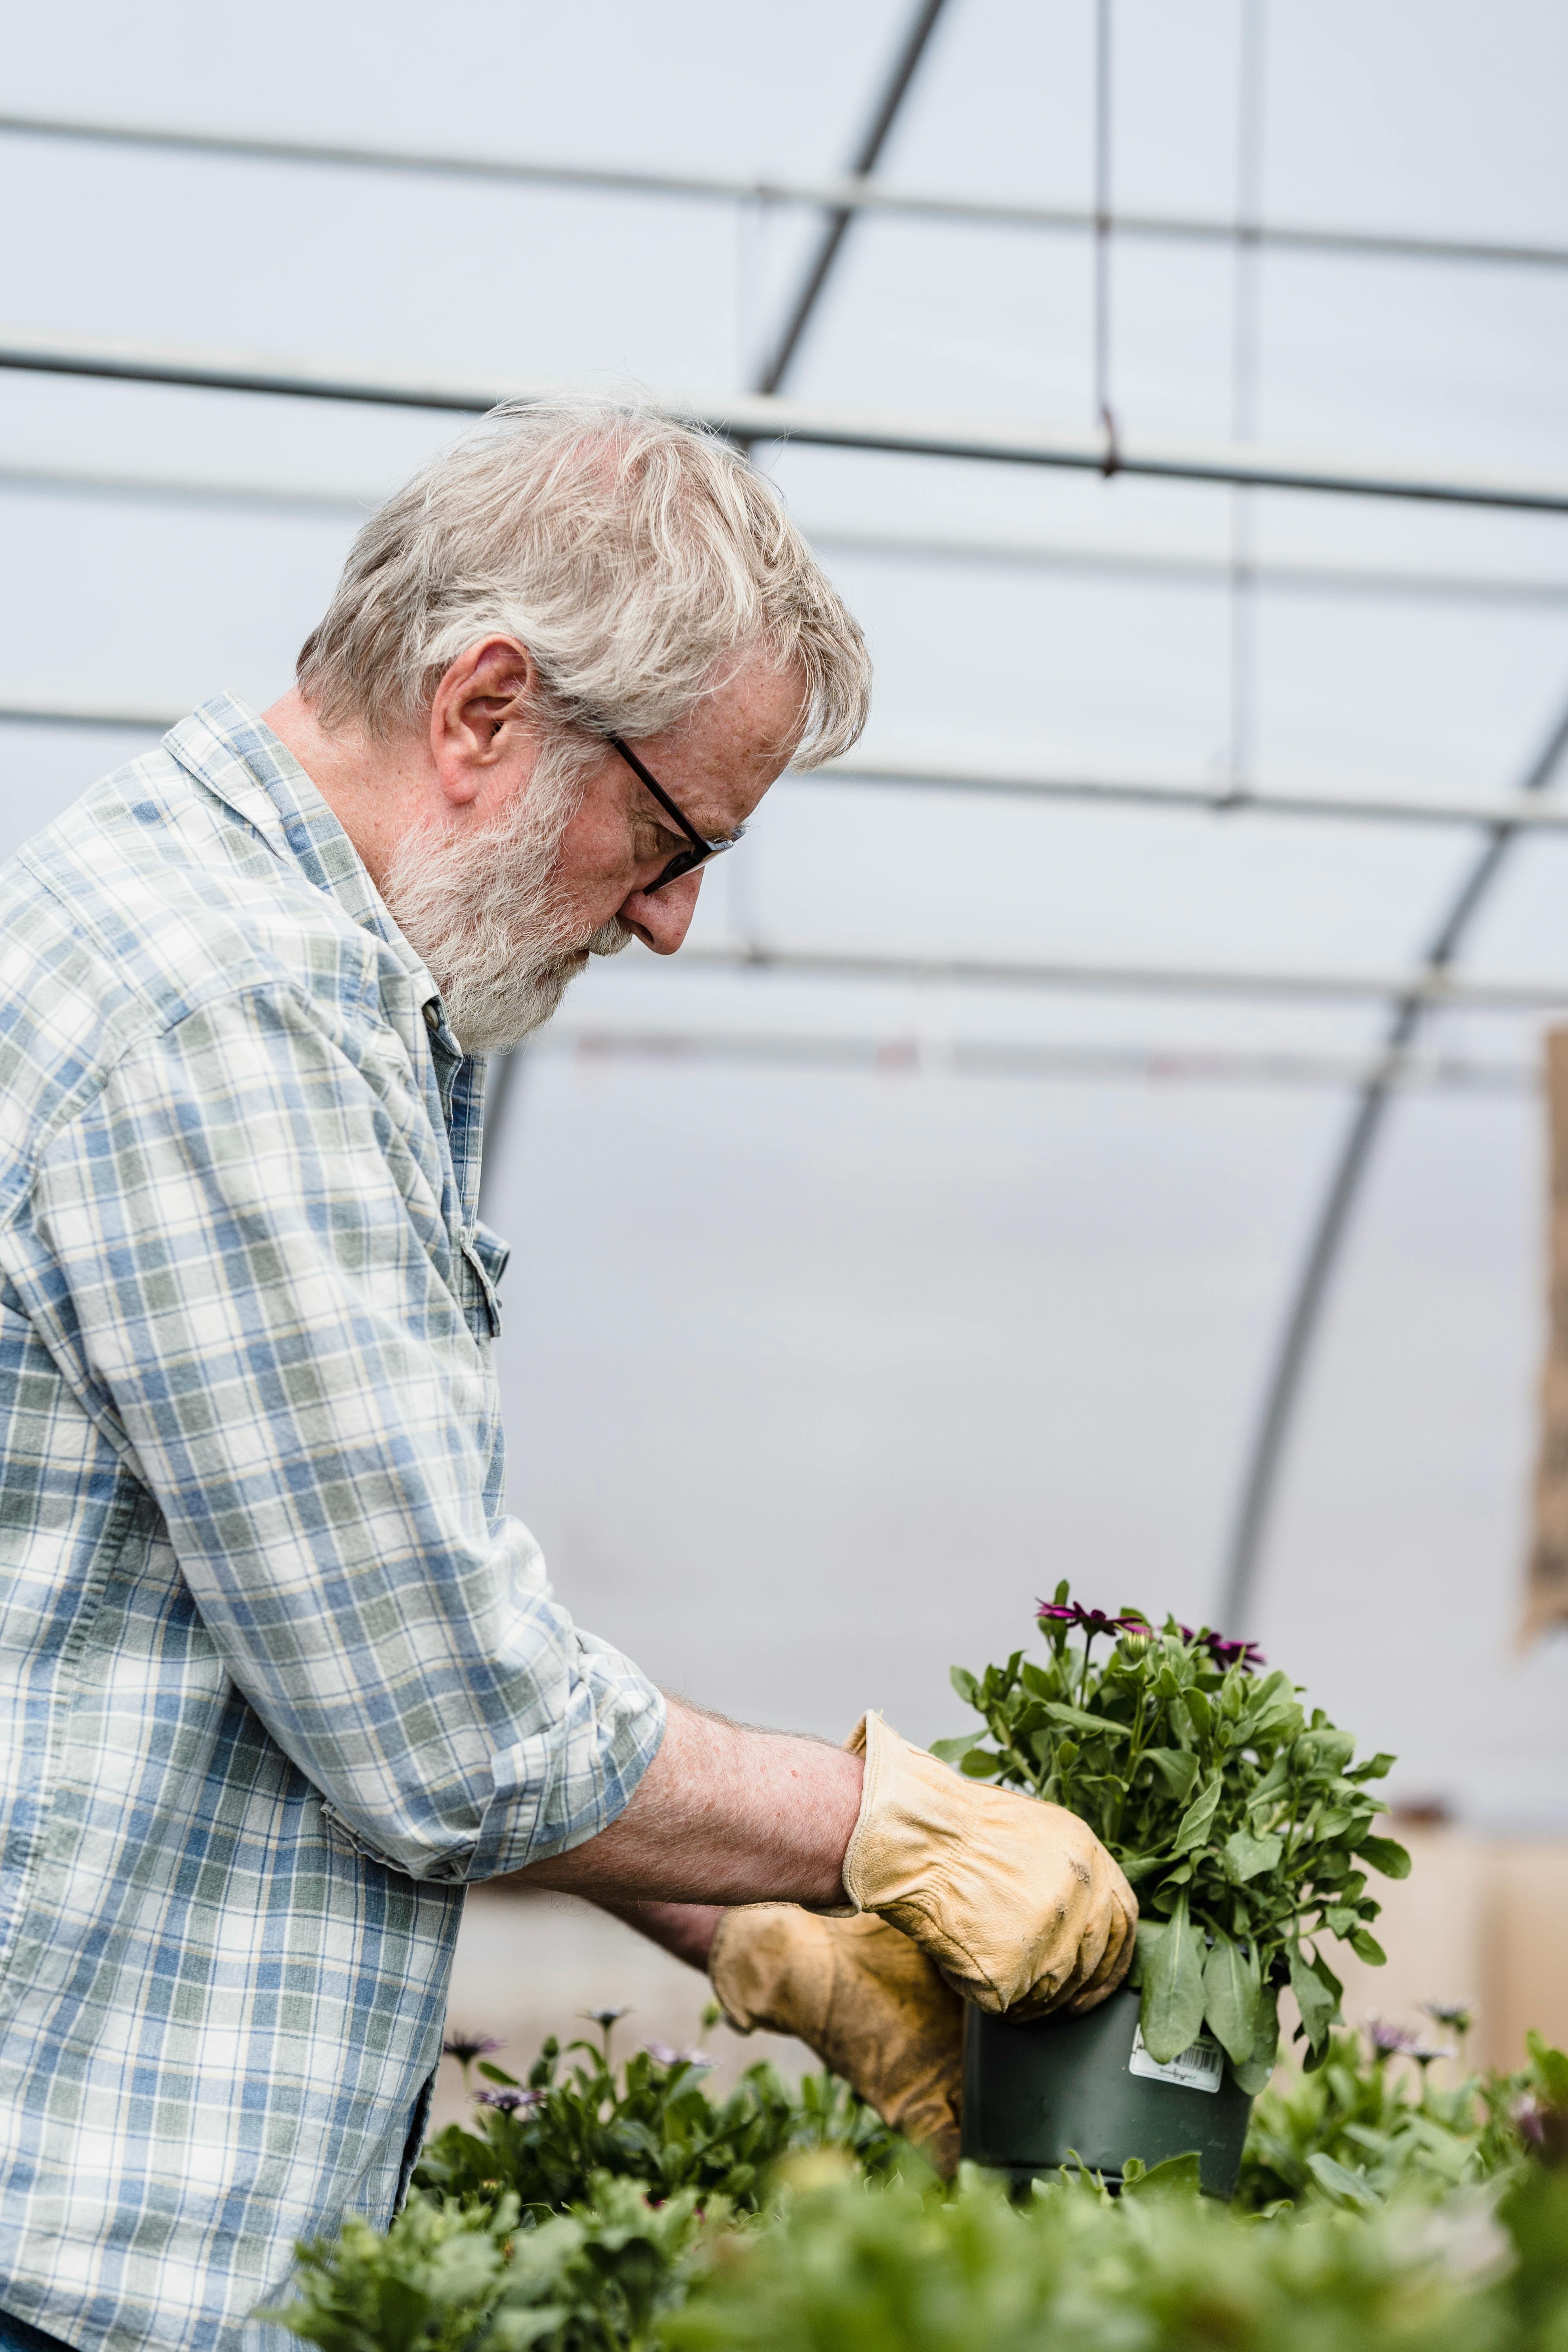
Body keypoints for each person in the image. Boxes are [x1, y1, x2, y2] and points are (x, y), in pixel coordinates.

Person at [0, 397, 1135, 2352]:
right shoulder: (226, 1015)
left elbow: (316, 1627)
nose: (675, 918)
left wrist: (730, 1919)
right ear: (485, 711)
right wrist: (883, 1821)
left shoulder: (298, 975)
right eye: (676, 834)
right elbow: (432, 1708)